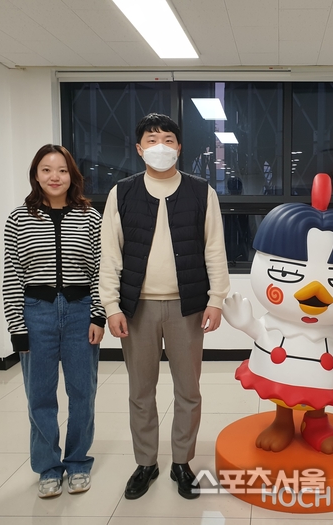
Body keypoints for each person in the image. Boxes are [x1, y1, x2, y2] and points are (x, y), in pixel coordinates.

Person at [99, 113, 230, 500]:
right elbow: (110, 254)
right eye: (152, 140)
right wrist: (111, 306)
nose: (160, 146)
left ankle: (182, 462)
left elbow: (214, 248)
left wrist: (217, 299)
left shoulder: (201, 191)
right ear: (139, 149)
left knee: (188, 390)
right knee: (141, 391)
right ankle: (146, 463)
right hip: (136, 308)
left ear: (179, 147)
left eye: (168, 139)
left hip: (187, 307)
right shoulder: (122, 193)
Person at [3, 144, 105, 498]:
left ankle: (78, 463)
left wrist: (98, 315)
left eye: (61, 170)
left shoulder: (90, 217)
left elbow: (101, 271)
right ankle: (48, 467)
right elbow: (12, 275)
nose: (54, 177)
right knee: (40, 396)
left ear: (71, 175)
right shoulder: (18, 218)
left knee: (83, 393)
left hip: (80, 312)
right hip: (36, 313)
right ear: (36, 175)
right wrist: (17, 328)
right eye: (46, 170)